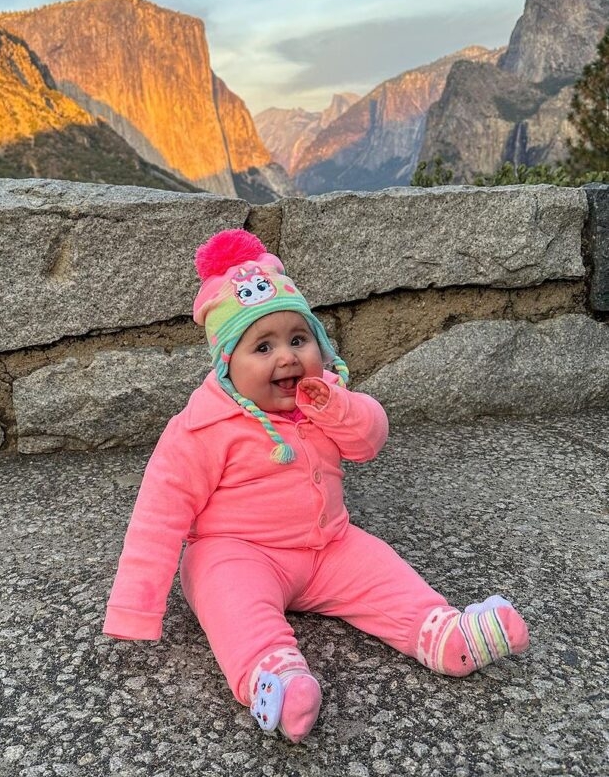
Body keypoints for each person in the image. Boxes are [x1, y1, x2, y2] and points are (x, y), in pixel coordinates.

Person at [103, 229, 529, 742]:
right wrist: (135, 607)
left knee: (384, 573)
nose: (287, 357)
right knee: (231, 602)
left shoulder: (323, 399)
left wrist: (337, 406)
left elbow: (368, 440)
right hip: (237, 552)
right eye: (263, 346)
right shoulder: (201, 427)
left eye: (298, 339)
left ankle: (442, 634)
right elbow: (158, 515)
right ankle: (273, 675)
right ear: (226, 365)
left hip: (330, 544)